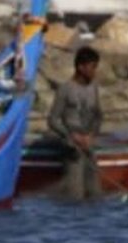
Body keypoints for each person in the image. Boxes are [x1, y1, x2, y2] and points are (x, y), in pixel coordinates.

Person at [47, 46, 103, 200]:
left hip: (89, 146)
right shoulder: (65, 89)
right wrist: (72, 136)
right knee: (75, 197)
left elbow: (99, 116)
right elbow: (52, 120)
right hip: (72, 149)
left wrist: (92, 135)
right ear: (81, 67)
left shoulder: (94, 88)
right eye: (92, 67)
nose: (94, 71)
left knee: (95, 195)